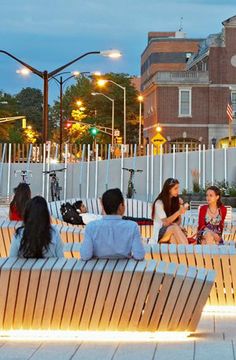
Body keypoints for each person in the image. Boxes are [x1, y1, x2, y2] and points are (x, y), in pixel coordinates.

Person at [80, 188, 145, 260]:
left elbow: (85, 255)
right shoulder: (132, 227)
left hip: (97, 270)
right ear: (121, 206)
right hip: (123, 270)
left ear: (103, 208)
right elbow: (139, 255)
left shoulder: (91, 227)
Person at [152, 178, 188, 244]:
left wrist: (176, 224)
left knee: (173, 238)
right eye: (175, 188)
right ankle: (188, 250)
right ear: (169, 189)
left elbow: (179, 220)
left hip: (170, 231)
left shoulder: (175, 201)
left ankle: (182, 253)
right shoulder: (159, 203)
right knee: (174, 228)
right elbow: (165, 223)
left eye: (178, 188)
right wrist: (179, 212)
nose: (178, 190)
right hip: (160, 233)